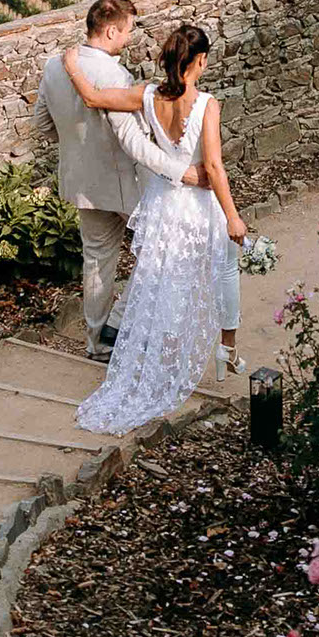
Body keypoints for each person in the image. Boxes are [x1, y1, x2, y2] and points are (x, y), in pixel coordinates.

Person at [69, 24, 248, 435]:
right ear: (199, 61)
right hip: (199, 207)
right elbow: (215, 168)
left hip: (163, 203)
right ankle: (207, 355)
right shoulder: (207, 104)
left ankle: (165, 357)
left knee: (162, 280)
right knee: (203, 277)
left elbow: (93, 97)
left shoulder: (146, 97)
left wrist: (72, 63)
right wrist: (233, 215)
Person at [33, 0, 205, 359]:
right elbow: (132, 140)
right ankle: (121, 321)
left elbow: (42, 126)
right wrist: (179, 171)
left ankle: (97, 343)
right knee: (160, 248)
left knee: (97, 260)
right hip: (126, 183)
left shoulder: (52, 67)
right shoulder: (115, 76)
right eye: (127, 31)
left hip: (82, 183)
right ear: (111, 30)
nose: (128, 39)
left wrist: (80, 146)